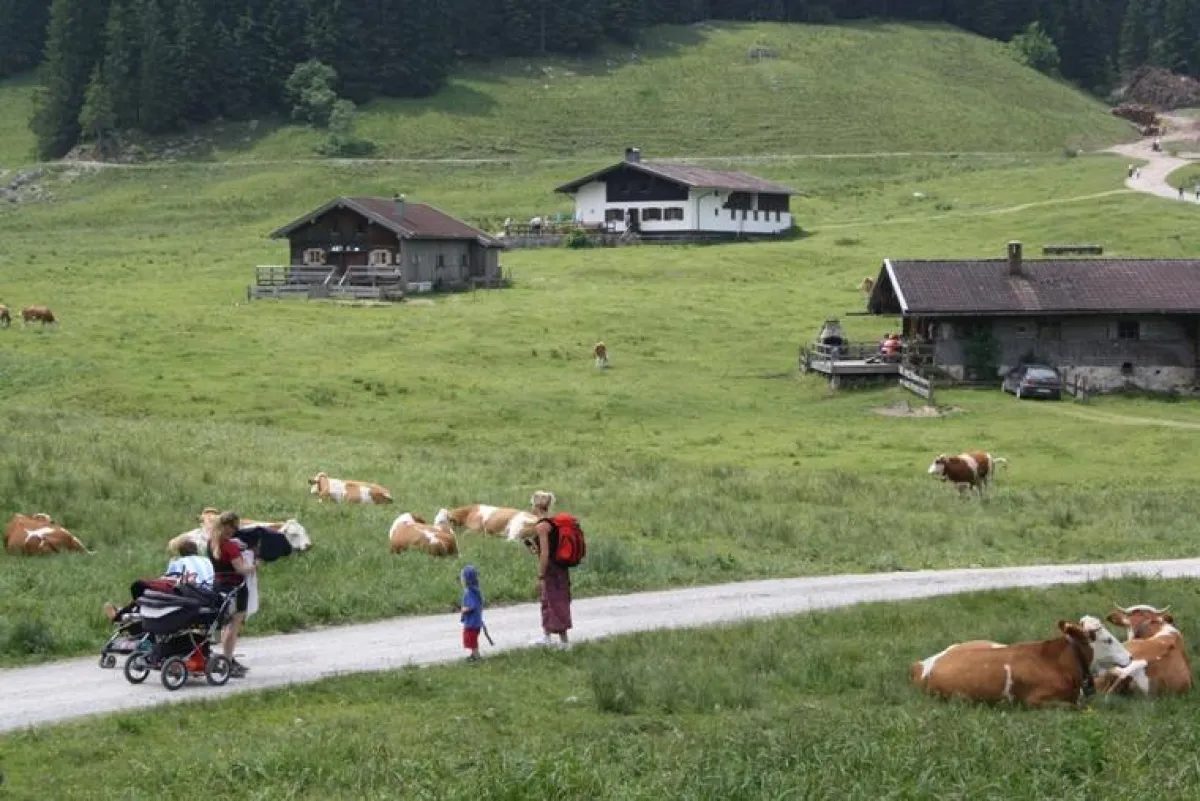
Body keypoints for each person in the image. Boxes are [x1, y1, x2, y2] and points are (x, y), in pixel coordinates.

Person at [208, 510, 256, 678]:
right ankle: (227, 661)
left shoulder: (211, 543)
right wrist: (255, 565)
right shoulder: (230, 546)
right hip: (236, 587)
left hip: (219, 585)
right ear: (228, 526)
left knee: (226, 623)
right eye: (234, 527)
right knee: (233, 626)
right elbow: (241, 569)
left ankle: (225, 658)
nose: (235, 530)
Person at [528, 491, 572, 649]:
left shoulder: (542, 526)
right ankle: (547, 636)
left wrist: (540, 575)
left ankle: (564, 642)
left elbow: (545, 553)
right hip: (560, 567)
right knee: (547, 600)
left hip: (552, 569)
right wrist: (535, 549)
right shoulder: (553, 522)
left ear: (536, 506)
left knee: (555, 601)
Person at [459, 564, 485, 662]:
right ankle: (474, 654)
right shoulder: (476, 590)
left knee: (471, 639)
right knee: (473, 639)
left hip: (472, 622)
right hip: (476, 622)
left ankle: (476, 655)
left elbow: (471, 606)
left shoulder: (469, 592)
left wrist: (463, 609)